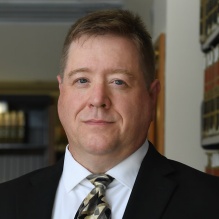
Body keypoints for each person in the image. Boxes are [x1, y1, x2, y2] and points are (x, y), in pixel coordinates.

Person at [0, 9, 219, 219]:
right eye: (82, 80)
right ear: (62, 92)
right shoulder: (7, 202)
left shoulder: (210, 202)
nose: (97, 99)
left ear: (152, 97)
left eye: (118, 82)